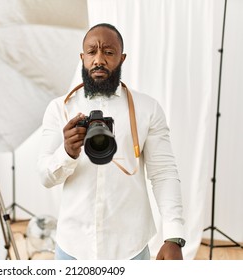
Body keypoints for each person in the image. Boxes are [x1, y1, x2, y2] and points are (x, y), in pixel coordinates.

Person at [37, 23, 185, 260]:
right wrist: (66, 152)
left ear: (122, 58)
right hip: (73, 248)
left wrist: (174, 236)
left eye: (108, 52)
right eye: (91, 51)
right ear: (82, 57)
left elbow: (164, 173)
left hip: (131, 248)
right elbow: (45, 177)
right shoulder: (60, 108)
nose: (99, 59)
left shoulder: (147, 108)